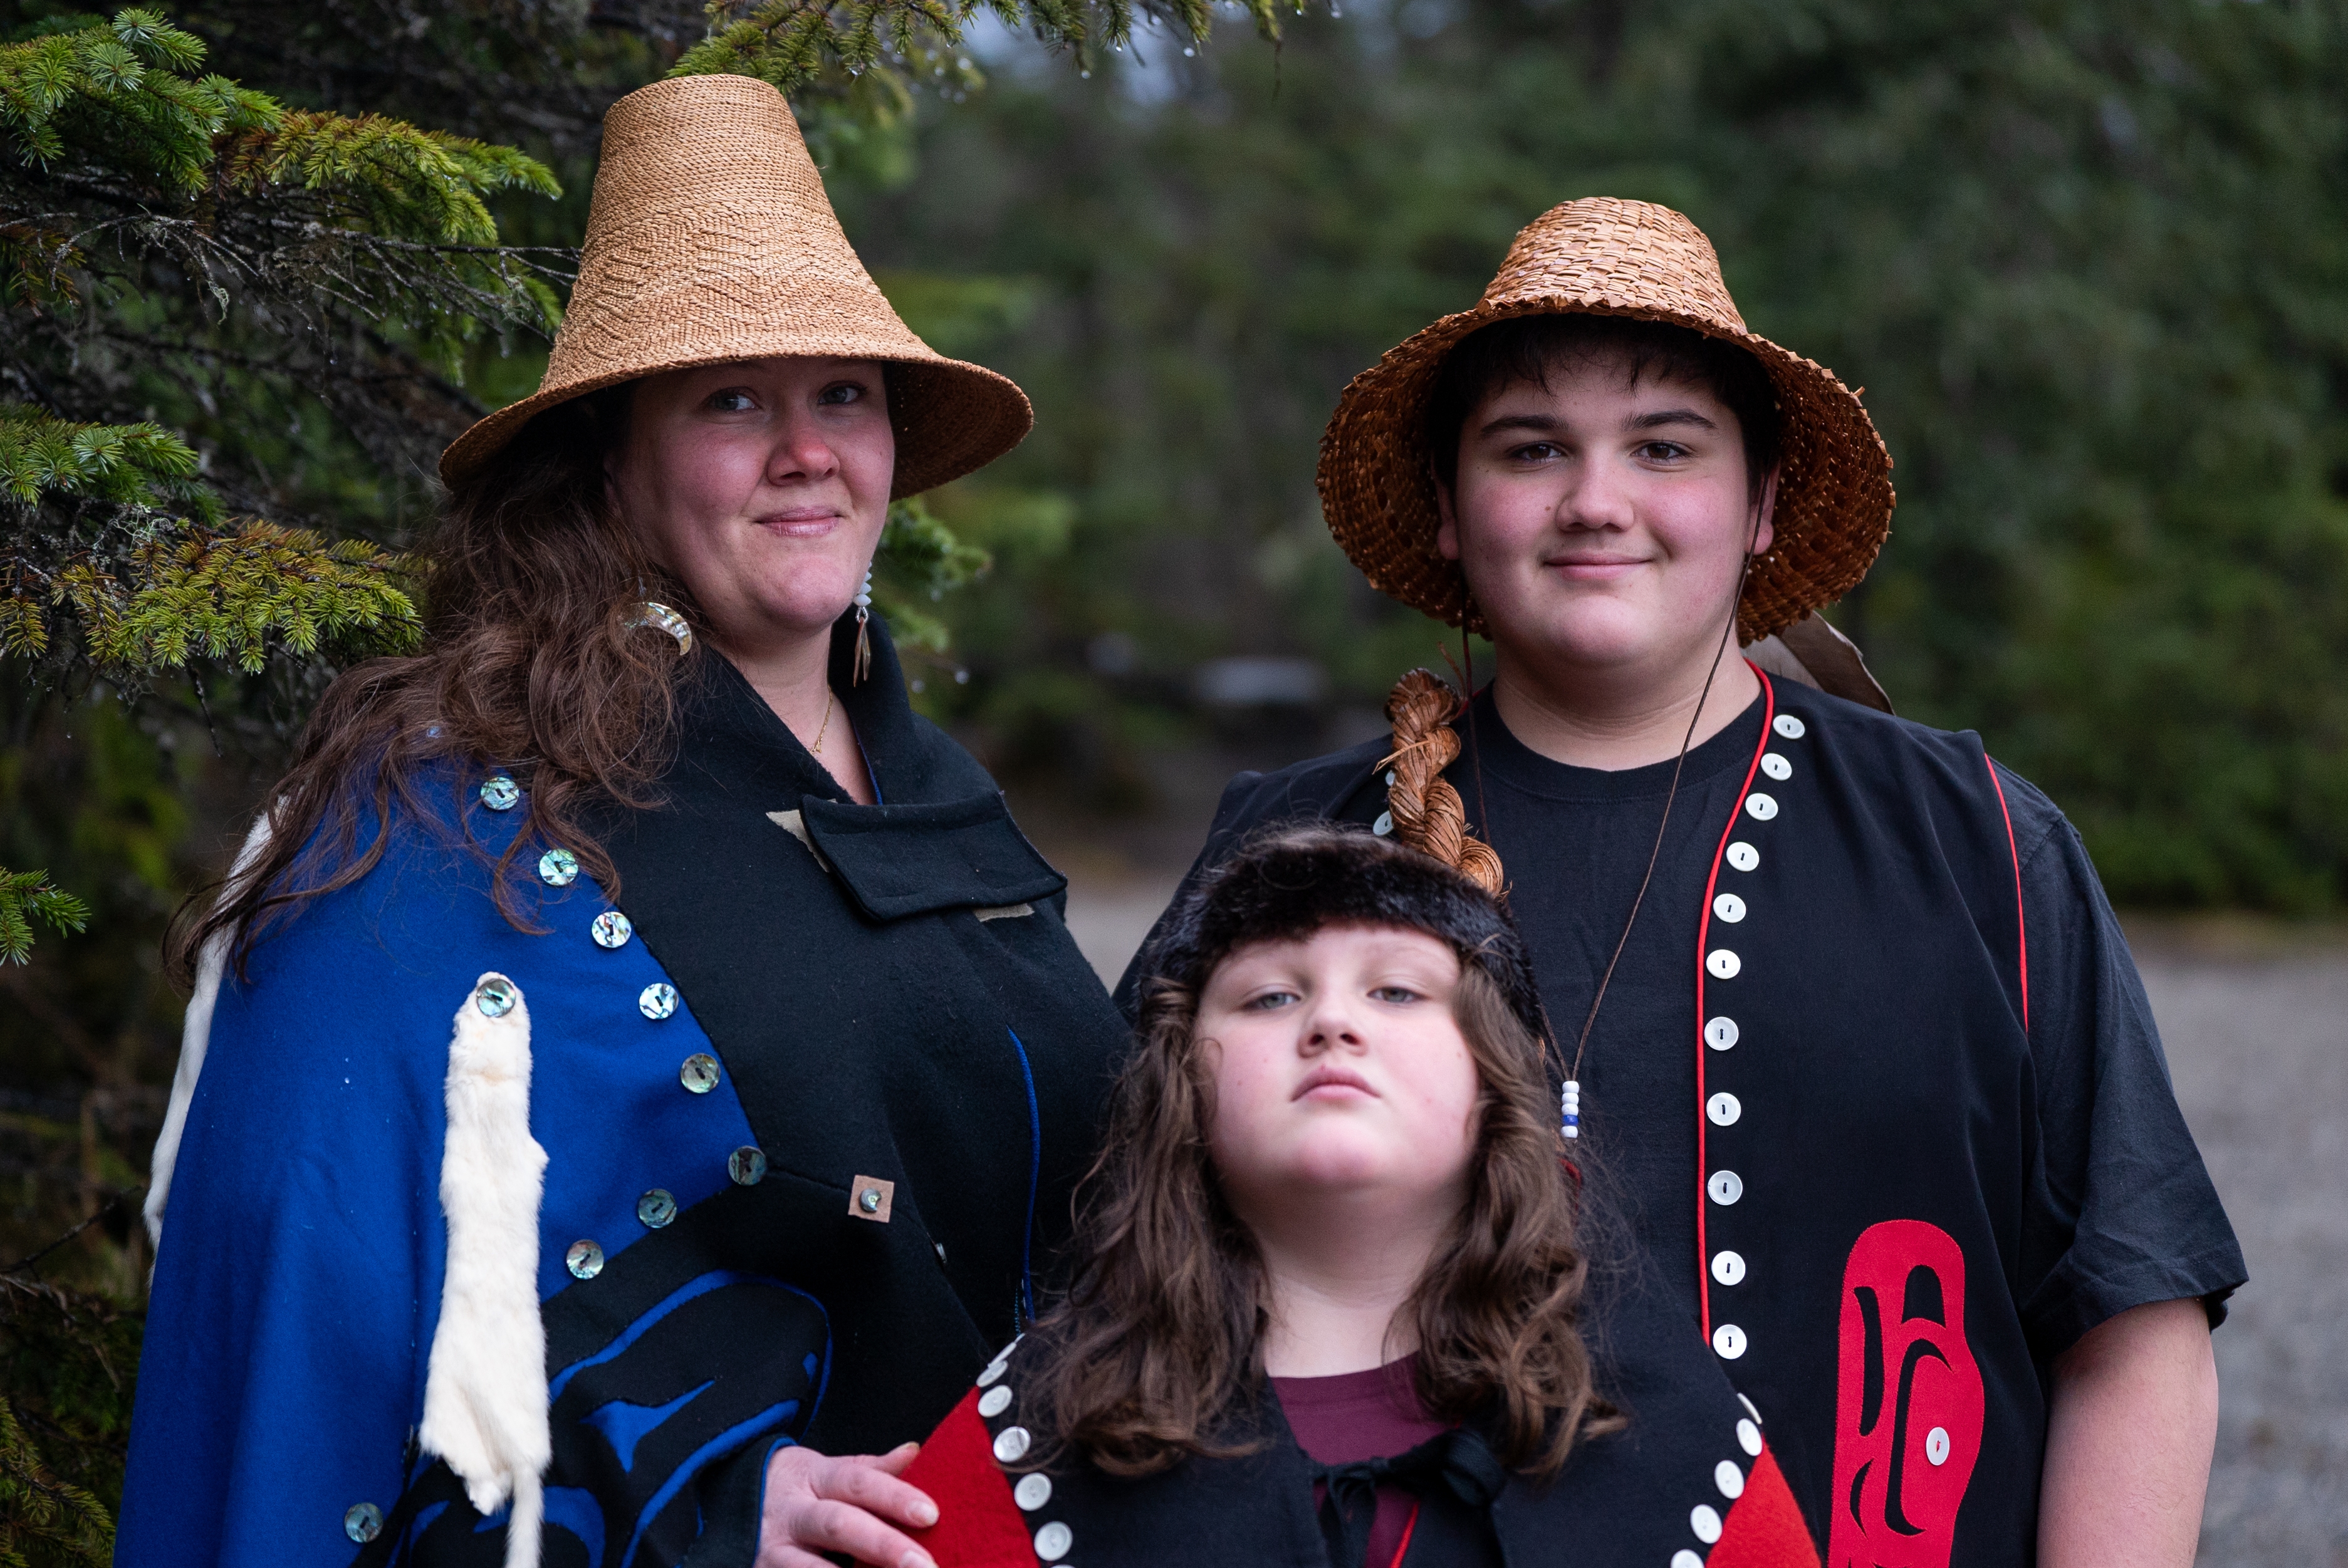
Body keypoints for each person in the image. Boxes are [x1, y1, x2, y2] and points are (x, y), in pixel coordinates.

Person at [1121, 199, 2245, 1566]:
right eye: (1531, 449)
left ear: (1761, 503)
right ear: (1442, 506)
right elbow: (1129, 1294)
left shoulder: (1979, 844)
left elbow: (2129, 1322)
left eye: (1664, 446)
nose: (1596, 501)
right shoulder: (1292, 852)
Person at [118, 74, 1125, 1568]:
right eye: (732, 401)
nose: (805, 450)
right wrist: (695, 1502)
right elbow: (305, 1315)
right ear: (612, 462)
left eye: (841, 394)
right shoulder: (440, 822)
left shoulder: (941, 796)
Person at [895, 825, 1820, 1567]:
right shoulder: (1033, 1445)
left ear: (1497, 1084)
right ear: (1182, 1086)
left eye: (1396, 991)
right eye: (1268, 999)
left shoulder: (1670, 1441)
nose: (1332, 1021)